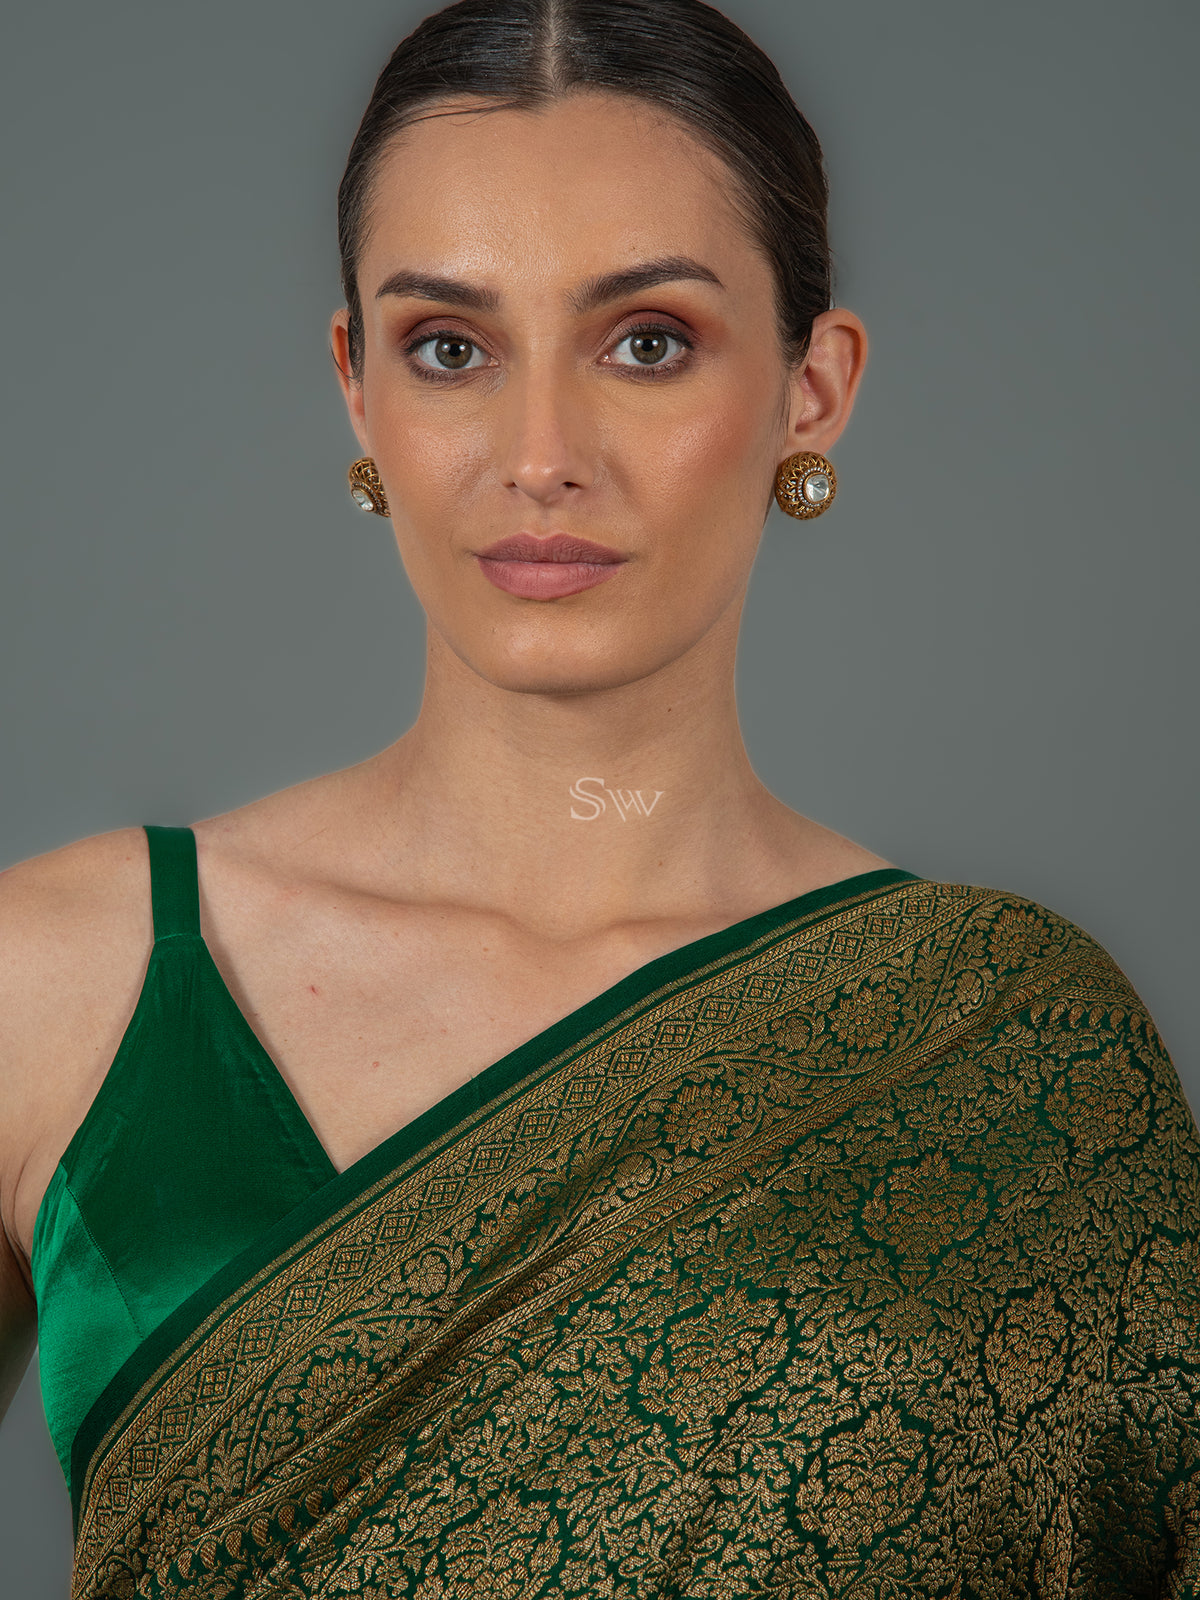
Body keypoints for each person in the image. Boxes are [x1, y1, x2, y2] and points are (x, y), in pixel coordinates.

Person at [2, 0, 1197, 1593]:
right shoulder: (56, 986)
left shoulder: (1008, 1049)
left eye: (647, 343)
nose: (541, 455)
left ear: (813, 386)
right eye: (451, 349)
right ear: (356, 384)